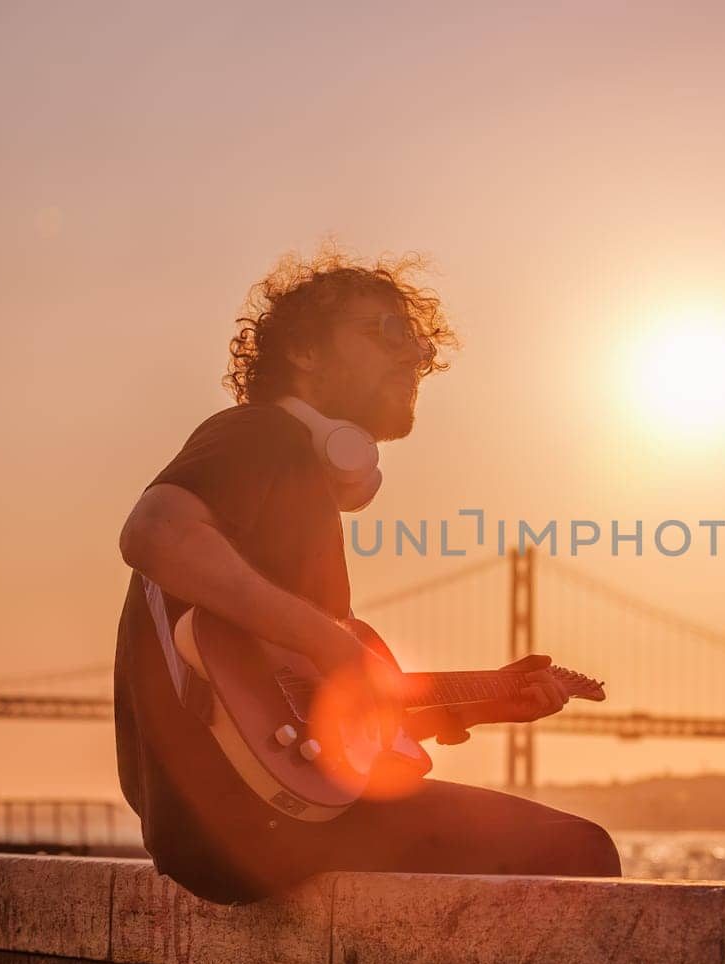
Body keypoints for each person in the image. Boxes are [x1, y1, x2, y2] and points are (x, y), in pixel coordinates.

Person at [114, 250, 620, 904]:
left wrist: (485, 699)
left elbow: (305, 713)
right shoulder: (261, 435)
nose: (411, 354)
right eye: (383, 332)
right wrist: (332, 642)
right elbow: (152, 531)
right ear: (303, 351)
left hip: (244, 825)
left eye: (418, 341)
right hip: (256, 822)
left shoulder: (289, 490)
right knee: (579, 850)